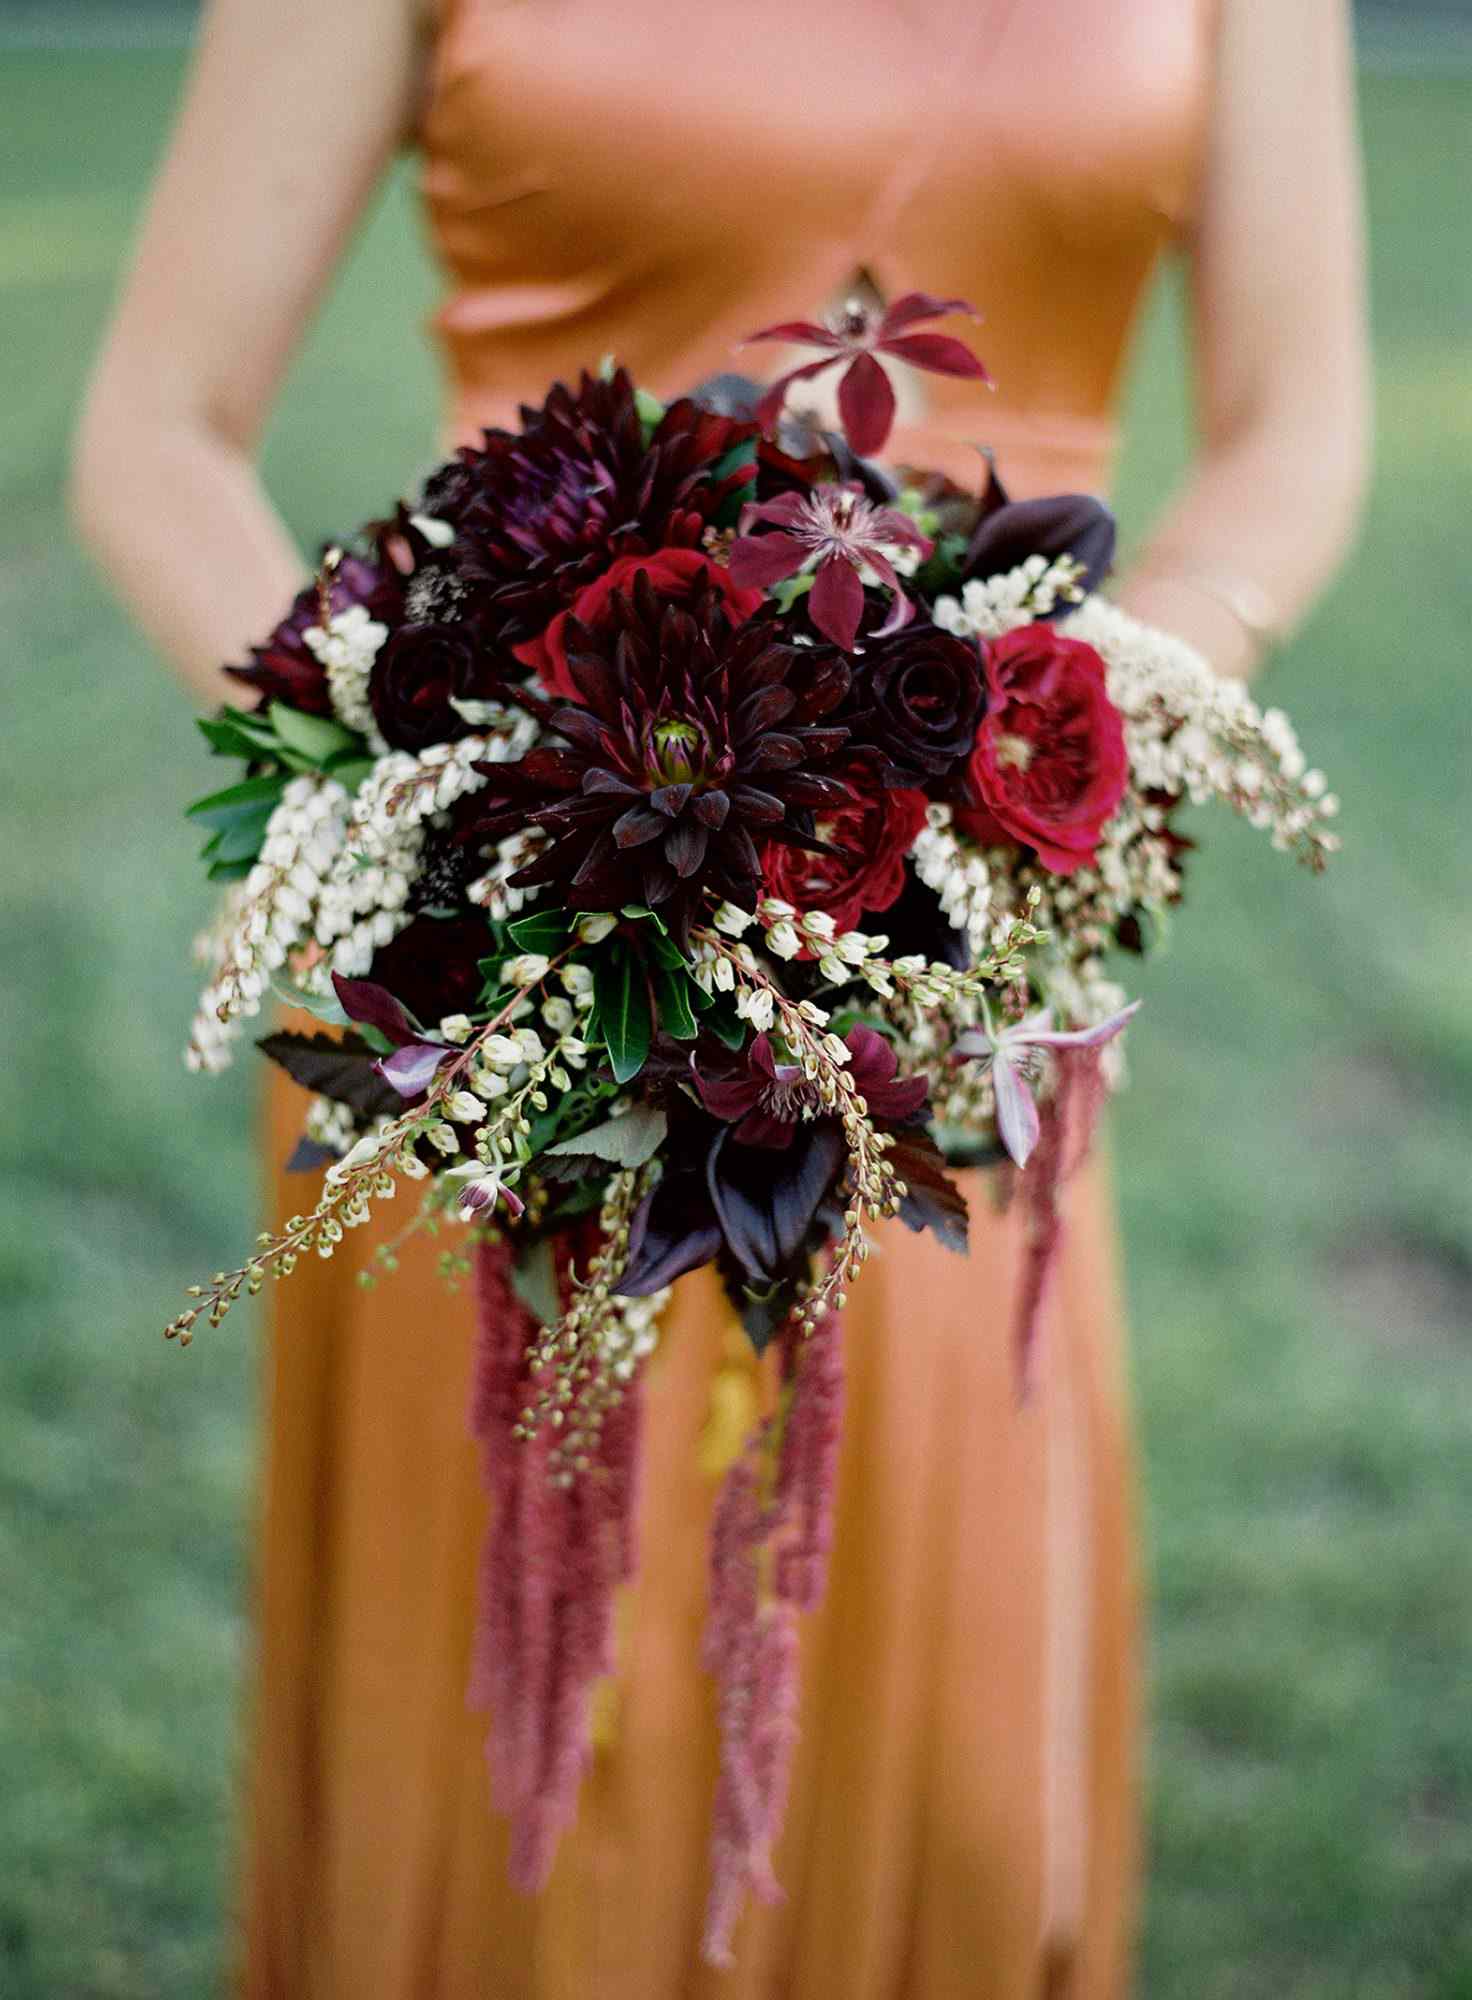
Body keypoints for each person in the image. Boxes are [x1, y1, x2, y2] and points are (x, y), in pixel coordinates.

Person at [72, 3, 1370, 1994]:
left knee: (922, 1748)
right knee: (505, 1739)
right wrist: (424, 815)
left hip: (934, 996)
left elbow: (1296, 419)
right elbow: (156, 429)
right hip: (504, 992)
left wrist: (1054, 740)